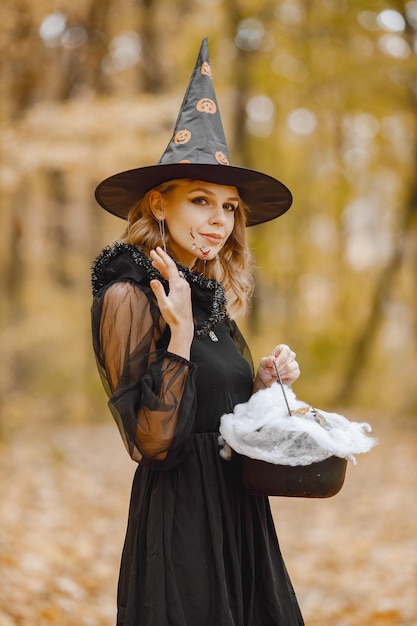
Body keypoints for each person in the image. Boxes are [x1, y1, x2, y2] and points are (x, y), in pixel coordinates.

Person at [91, 38, 304, 625]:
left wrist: (260, 384)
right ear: (159, 203)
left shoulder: (206, 299)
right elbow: (152, 443)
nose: (219, 220)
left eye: (230, 207)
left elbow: (221, 413)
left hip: (241, 514)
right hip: (181, 526)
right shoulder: (126, 296)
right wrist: (178, 337)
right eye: (201, 201)